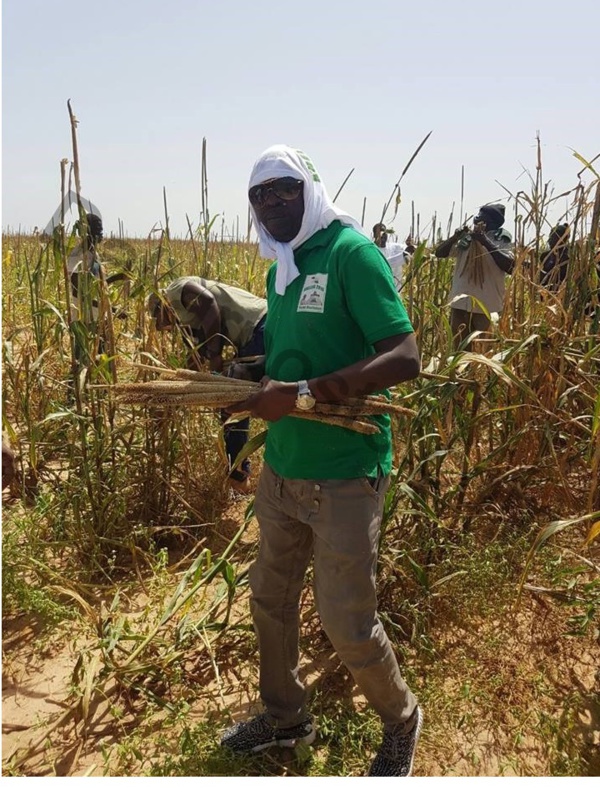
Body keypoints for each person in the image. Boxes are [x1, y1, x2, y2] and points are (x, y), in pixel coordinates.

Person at [219, 145, 423, 777]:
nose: (271, 204)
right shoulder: (282, 265)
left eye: (283, 189)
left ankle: (401, 719)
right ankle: (285, 715)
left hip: (343, 474)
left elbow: (405, 356)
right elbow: (288, 356)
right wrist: (246, 380)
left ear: (309, 188)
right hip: (282, 469)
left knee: (346, 621)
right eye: (259, 196)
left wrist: (304, 394)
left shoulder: (349, 253)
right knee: (269, 599)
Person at [148, 277, 267, 488]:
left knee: (233, 405)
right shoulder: (189, 322)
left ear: (161, 305)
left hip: (259, 327)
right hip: (258, 328)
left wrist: (215, 356)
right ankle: (237, 472)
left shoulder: (176, 290)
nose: (165, 326)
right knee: (234, 404)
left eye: (161, 320)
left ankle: (237, 476)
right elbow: (194, 360)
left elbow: (209, 303)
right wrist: (170, 396)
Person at [435, 203, 514, 350]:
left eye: (480, 217)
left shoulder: (501, 239)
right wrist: (455, 237)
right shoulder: (467, 239)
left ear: (491, 222)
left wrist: (484, 241)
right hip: (460, 304)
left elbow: (510, 266)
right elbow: (439, 253)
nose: (476, 219)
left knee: (483, 351)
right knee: (459, 349)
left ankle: (479, 374)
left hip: (486, 306)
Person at [372, 222, 413, 292]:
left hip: (396, 289)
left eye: (384, 232)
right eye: (379, 233)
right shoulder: (372, 250)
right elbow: (382, 264)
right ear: (374, 235)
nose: (382, 235)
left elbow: (408, 251)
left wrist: (410, 246)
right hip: (379, 290)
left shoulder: (396, 247)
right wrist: (402, 257)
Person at [539, 223, 570, 291]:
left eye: (553, 237)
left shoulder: (568, 258)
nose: (549, 241)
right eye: (549, 237)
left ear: (562, 239)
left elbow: (563, 279)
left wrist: (541, 274)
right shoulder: (545, 256)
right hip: (543, 294)